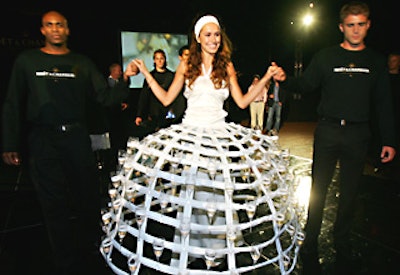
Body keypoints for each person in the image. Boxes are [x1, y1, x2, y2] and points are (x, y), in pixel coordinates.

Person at [110, 14, 285, 273]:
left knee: (216, 192)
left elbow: (242, 102)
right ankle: (192, 248)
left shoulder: (226, 66)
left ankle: (217, 249)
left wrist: (267, 77)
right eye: (208, 34)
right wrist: (147, 73)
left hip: (218, 138)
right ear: (198, 38)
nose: (213, 39)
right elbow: (167, 99)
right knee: (194, 193)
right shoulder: (185, 65)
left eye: (216, 34)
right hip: (192, 137)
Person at [1, 10, 138, 274]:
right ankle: (64, 262)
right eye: (49, 25)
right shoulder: (27, 61)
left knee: (87, 198)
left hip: (76, 138)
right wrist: (9, 143)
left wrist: (125, 80)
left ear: (67, 30)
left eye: (60, 25)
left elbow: (105, 99)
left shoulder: (81, 63)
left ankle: (93, 255)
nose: (55, 29)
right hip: (42, 139)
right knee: (52, 204)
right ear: (42, 30)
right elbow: (12, 103)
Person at [277, 2, 397, 274]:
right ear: (341, 27)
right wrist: (285, 79)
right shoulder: (325, 57)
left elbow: (384, 104)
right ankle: (310, 244)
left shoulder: (376, 62)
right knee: (318, 191)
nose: (356, 30)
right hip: (328, 131)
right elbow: (306, 84)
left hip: (358, 134)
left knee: (350, 195)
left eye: (361, 24)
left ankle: (342, 244)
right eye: (351, 25)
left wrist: (389, 140)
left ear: (368, 26)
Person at [135, 49, 174, 138]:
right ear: (154, 60)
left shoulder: (171, 76)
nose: (160, 61)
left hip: (168, 114)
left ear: (165, 59)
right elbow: (143, 97)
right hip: (153, 114)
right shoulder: (150, 76)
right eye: (157, 58)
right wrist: (139, 115)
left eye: (162, 58)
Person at [165, 45, 190, 125]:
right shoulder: (173, 77)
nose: (188, 58)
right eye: (186, 55)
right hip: (178, 114)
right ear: (180, 57)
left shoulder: (199, 75)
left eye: (190, 55)